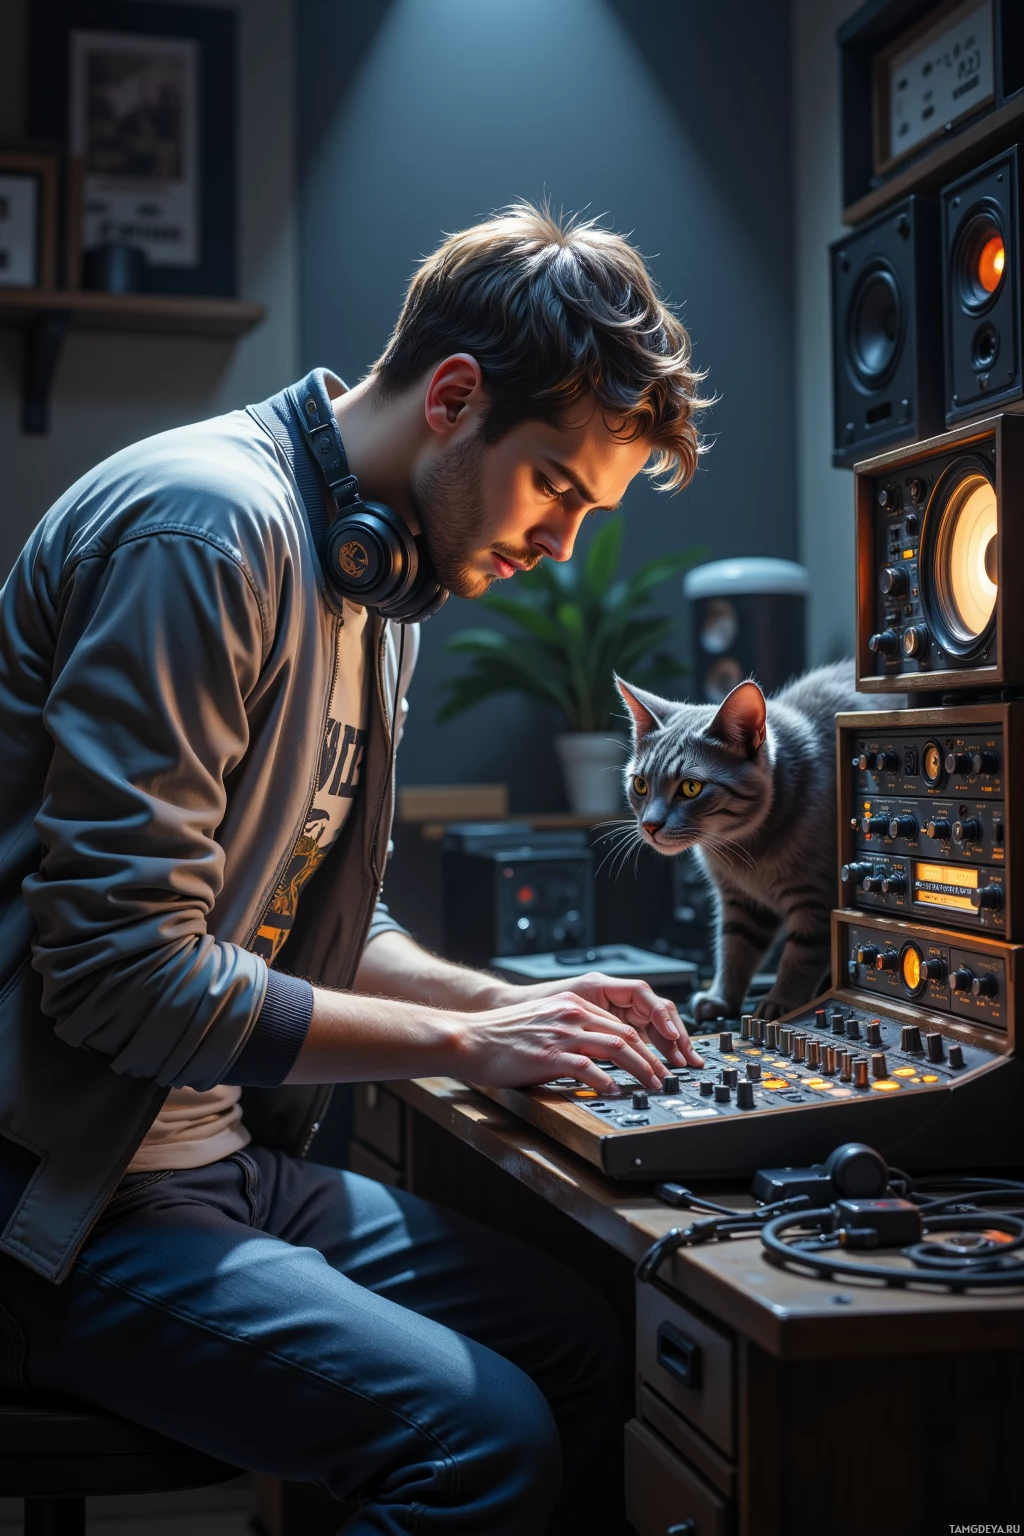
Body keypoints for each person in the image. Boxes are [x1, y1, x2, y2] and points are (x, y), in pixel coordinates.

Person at [0, 202, 707, 1533]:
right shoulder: (206, 533)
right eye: (558, 487)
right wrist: (462, 1044)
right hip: (60, 1200)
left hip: (213, 1165)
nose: (563, 544)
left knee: (582, 1345)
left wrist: (503, 1006)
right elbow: (118, 973)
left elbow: (316, 911)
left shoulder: (382, 587)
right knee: (482, 1443)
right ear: (453, 397)